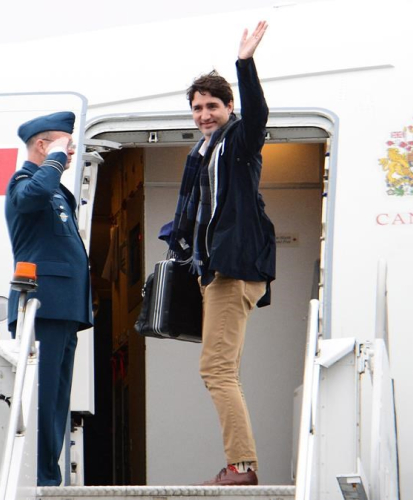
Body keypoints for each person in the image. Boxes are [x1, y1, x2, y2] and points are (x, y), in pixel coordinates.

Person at [166, 21, 276, 486]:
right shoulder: (202, 152)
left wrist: (245, 64)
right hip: (213, 272)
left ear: (228, 107)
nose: (204, 114)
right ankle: (240, 463)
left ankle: (242, 466)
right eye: (197, 108)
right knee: (217, 368)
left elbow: (258, 112)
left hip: (233, 271)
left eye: (212, 106)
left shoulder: (239, 143)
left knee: (216, 369)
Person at [4, 111, 93, 486]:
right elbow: (32, 197)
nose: (70, 151)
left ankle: (48, 475)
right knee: (42, 399)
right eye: (63, 144)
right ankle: (42, 478)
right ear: (42, 145)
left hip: (64, 307)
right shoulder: (26, 181)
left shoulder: (56, 190)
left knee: (56, 400)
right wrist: (54, 159)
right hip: (44, 306)